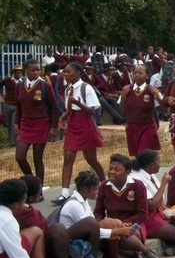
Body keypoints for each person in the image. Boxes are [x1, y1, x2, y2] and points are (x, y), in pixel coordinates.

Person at [57, 170, 133, 258]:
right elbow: (92, 229)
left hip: (84, 237)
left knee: (115, 222)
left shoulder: (84, 200)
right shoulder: (74, 205)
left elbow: (95, 226)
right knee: (112, 226)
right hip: (73, 244)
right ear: (85, 189)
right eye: (95, 189)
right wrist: (117, 231)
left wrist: (120, 226)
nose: (97, 192)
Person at [95, 154, 162, 258]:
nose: (112, 172)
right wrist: (102, 223)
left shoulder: (137, 185)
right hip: (114, 224)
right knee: (112, 234)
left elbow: (142, 214)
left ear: (127, 172)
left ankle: (140, 252)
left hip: (135, 223)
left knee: (126, 233)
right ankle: (141, 252)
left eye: (117, 169)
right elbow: (98, 211)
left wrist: (125, 224)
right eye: (110, 168)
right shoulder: (104, 186)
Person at [56, 62, 106, 204]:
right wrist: (62, 118)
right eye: (64, 72)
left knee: (90, 158)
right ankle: (64, 192)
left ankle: (104, 182)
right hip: (73, 123)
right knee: (68, 155)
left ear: (78, 73)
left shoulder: (86, 87)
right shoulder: (68, 89)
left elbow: (92, 110)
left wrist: (78, 104)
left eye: (69, 72)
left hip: (85, 123)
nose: (66, 74)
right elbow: (69, 109)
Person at [0, 179, 56, 258]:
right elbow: (18, 256)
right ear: (15, 204)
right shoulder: (7, 220)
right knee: (37, 231)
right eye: (23, 201)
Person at [13, 59, 59, 189]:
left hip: (41, 124)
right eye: (33, 70)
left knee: (37, 158)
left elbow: (54, 108)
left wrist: (53, 126)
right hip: (25, 124)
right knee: (20, 157)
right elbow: (19, 106)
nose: (36, 72)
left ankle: (38, 190)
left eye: (38, 70)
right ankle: (32, 181)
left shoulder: (45, 86)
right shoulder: (20, 86)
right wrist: (16, 122)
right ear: (26, 71)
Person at [120, 65, 162, 156]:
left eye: (140, 73)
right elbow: (122, 112)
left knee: (142, 153)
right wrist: (123, 97)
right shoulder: (126, 90)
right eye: (135, 73)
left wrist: (157, 97)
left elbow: (164, 108)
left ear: (147, 75)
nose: (137, 75)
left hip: (147, 126)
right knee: (136, 155)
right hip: (131, 126)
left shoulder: (151, 90)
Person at [1, 64, 23, 146]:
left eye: (20, 73)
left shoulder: (23, 82)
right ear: (13, 73)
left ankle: (14, 142)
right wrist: (2, 94)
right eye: (17, 72)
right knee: (8, 123)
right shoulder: (7, 80)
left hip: (17, 105)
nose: (19, 74)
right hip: (8, 104)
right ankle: (10, 140)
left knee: (14, 123)